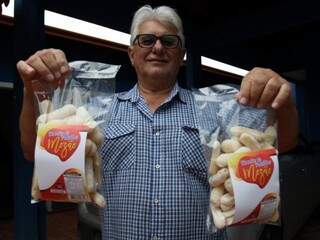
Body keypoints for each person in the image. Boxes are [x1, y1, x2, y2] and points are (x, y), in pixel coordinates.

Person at [16, 5, 298, 240]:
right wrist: (33, 92)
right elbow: (34, 153)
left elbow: (283, 143)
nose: (158, 47)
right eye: (147, 40)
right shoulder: (98, 113)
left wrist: (281, 103)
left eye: (169, 41)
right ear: (132, 54)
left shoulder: (216, 110)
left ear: (182, 54)